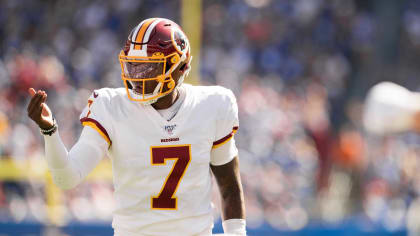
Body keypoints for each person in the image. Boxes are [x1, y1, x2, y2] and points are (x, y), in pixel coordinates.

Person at [27, 18, 246, 236]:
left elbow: (229, 186)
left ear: (180, 67)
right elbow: (66, 178)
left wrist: (237, 233)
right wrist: (50, 131)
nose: (137, 76)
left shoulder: (211, 104)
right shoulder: (111, 106)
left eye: (149, 67)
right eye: (133, 65)